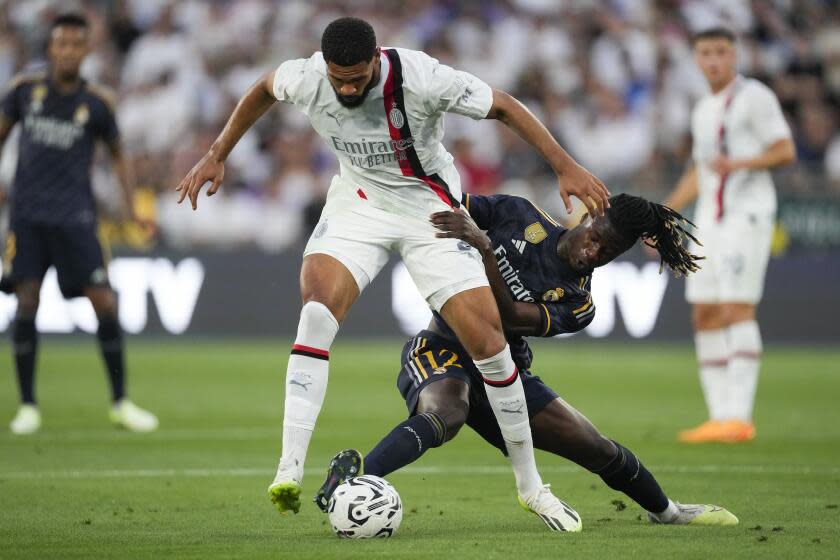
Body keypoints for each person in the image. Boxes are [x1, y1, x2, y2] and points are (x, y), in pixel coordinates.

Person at [176, 16, 610, 525]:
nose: (346, 86)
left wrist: (564, 165)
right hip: (359, 204)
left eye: (356, 77)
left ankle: (531, 486)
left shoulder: (420, 77)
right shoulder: (308, 76)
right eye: (339, 77)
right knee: (316, 311)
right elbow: (261, 90)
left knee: (490, 345)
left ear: (376, 59)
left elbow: (503, 106)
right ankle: (288, 469)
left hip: (431, 209)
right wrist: (215, 154)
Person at [317, 193, 737, 529]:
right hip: (443, 348)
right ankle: (347, 482)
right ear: (587, 219)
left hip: (508, 376)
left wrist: (483, 248)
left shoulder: (579, 302)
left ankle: (666, 512)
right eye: (595, 239)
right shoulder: (518, 214)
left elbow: (511, 317)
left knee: (596, 447)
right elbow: (446, 203)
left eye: (606, 254)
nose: (593, 253)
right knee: (448, 410)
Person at [0, 14, 158, 434]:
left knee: (104, 302)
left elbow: (119, 154)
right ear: (50, 49)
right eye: (61, 44)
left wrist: (130, 207)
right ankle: (28, 405)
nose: (68, 51)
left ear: (86, 50)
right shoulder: (23, 91)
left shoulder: (98, 103)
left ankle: (121, 402)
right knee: (27, 301)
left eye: (76, 44)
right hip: (28, 217)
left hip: (77, 218)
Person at [661, 28, 796, 444]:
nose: (714, 60)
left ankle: (740, 416)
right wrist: (663, 217)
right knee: (703, 311)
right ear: (697, 59)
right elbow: (700, 174)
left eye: (721, 52)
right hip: (710, 222)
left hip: (747, 216)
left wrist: (738, 164)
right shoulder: (704, 109)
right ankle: (719, 417)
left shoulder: (755, 97)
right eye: (706, 53)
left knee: (736, 308)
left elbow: (785, 150)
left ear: (734, 56)